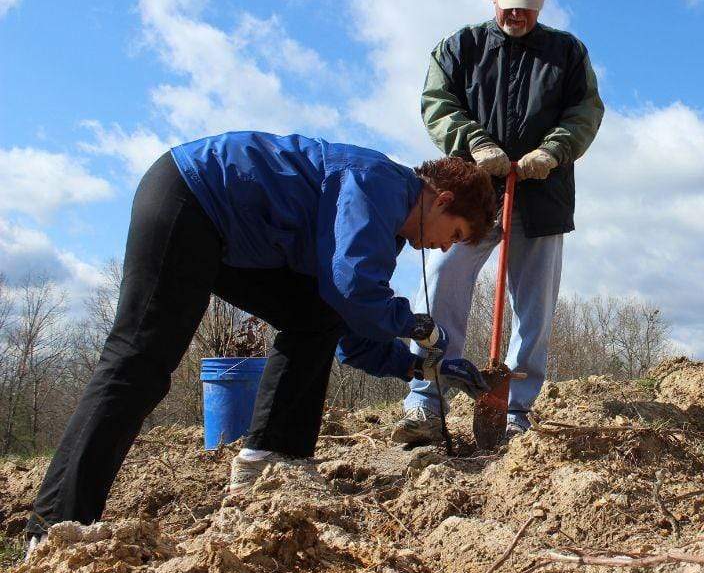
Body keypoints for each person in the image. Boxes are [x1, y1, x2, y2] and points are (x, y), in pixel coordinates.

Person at [26, 132, 495, 543]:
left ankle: (271, 461)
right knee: (139, 361)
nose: (444, 246)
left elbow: (348, 326)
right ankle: (55, 526)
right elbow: (352, 287)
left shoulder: (384, 232)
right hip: (190, 196)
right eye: (454, 235)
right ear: (442, 200)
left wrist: (419, 365)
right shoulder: (379, 184)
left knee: (314, 315)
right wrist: (414, 324)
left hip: (229, 236)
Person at [392, 0, 604, 444]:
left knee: (534, 305)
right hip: (472, 193)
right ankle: (427, 398)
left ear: (542, 0)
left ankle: (515, 408)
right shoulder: (460, 47)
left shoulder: (567, 53)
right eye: (509, 3)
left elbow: (585, 112)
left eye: (527, 5)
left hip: (543, 193)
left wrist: (553, 151)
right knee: (442, 281)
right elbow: (438, 104)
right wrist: (474, 143)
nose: (517, 13)